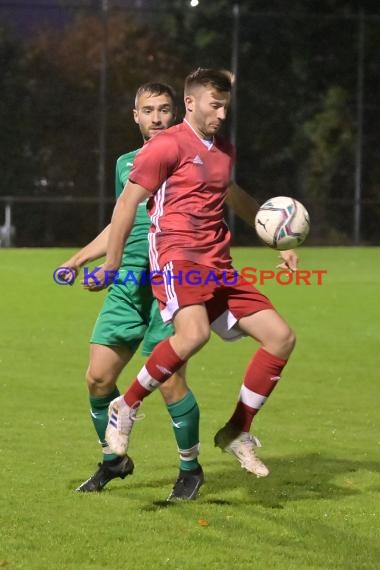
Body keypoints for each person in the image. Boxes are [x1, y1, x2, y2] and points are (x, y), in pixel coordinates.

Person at [90, 68, 297, 481]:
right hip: (176, 257)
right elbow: (127, 204)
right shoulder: (165, 146)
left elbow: (231, 195)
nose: (221, 113)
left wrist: (281, 240)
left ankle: (238, 431)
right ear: (191, 103)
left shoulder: (223, 150)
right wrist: (111, 262)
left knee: (281, 338)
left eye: (225, 106)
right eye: (214, 104)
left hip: (218, 265)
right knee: (194, 335)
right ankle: (125, 406)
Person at [60, 83, 203, 501]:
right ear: (135, 115)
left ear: (175, 114)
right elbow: (119, 224)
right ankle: (113, 460)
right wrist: (79, 258)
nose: (156, 117)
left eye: (163, 109)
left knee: (171, 381)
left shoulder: (192, 157)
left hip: (170, 284)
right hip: (126, 285)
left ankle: (190, 470)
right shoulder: (126, 164)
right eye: (148, 110)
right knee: (99, 377)